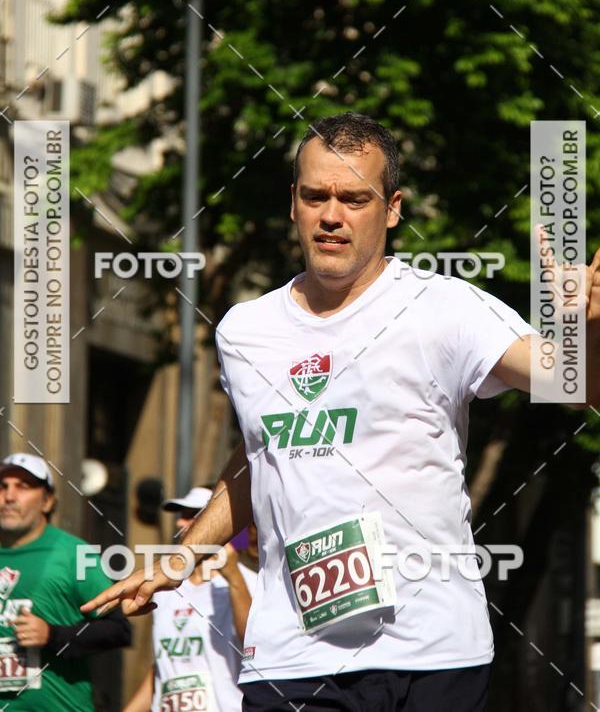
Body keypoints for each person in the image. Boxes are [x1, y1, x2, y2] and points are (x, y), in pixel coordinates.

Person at [84, 114, 600, 712]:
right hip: (291, 659)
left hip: (431, 655)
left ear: (392, 209)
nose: (332, 215)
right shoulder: (246, 332)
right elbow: (261, 456)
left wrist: (587, 328)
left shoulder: (445, 310)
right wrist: (184, 553)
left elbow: (579, 386)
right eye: (315, 196)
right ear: (295, 204)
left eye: (355, 198)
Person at [0, 452, 131, 710]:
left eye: (23, 487)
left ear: (48, 501)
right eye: (3, 487)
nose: (9, 497)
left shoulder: (72, 554)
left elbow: (118, 629)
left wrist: (52, 634)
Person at [124, 486, 257, 712]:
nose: (179, 523)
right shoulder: (164, 589)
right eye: (180, 515)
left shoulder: (250, 582)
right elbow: (163, 667)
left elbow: (255, 644)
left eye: (191, 516)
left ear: (218, 524)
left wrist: (233, 577)